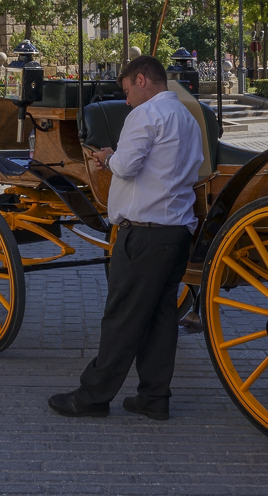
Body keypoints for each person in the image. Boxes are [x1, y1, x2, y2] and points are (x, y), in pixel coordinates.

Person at [49, 55, 202, 421]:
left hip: (145, 233)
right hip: (178, 230)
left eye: (127, 90)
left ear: (141, 79)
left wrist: (107, 156)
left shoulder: (146, 115)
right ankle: (153, 396)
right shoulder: (188, 117)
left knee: (122, 317)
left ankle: (92, 396)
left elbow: (126, 166)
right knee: (161, 317)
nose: (127, 99)